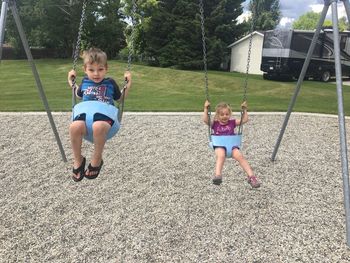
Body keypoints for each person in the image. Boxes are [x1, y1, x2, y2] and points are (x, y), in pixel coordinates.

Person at [68, 47, 132, 182]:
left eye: (100, 69)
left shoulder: (110, 83)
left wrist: (128, 84)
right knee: (74, 127)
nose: (96, 74)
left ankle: (96, 160)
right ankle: (78, 160)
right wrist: (71, 82)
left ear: (106, 69)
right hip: (85, 117)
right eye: (91, 70)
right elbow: (78, 96)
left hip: (105, 118)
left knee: (98, 126)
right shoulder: (85, 82)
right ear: (85, 69)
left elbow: (119, 99)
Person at [203, 100, 260, 188]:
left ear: (230, 114)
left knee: (240, 156)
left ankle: (252, 177)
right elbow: (205, 120)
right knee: (221, 155)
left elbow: (244, 120)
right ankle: (218, 175)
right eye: (222, 114)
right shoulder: (215, 124)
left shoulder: (232, 123)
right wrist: (206, 109)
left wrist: (244, 109)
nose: (224, 116)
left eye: (227, 114)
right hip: (219, 145)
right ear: (217, 116)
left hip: (232, 146)